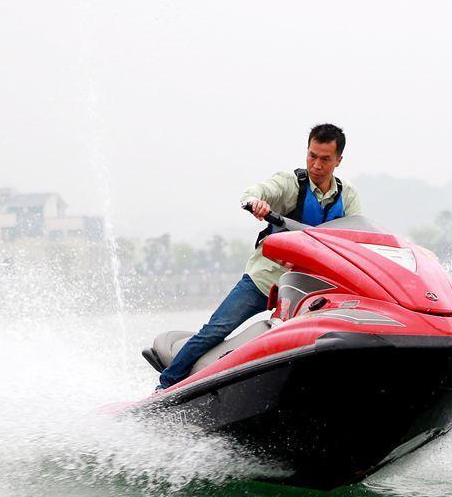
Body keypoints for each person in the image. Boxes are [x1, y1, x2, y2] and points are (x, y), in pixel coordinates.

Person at [153, 123, 361, 391]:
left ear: (338, 161)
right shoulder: (290, 183)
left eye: (325, 159)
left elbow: (357, 236)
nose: (316, 165)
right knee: (216, 330)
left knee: (320, 344)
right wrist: (257, 203)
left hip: (309, 292)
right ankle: (166, 386)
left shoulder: (348, 196)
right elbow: (252, 194)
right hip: (265, 280)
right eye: (312, 155)